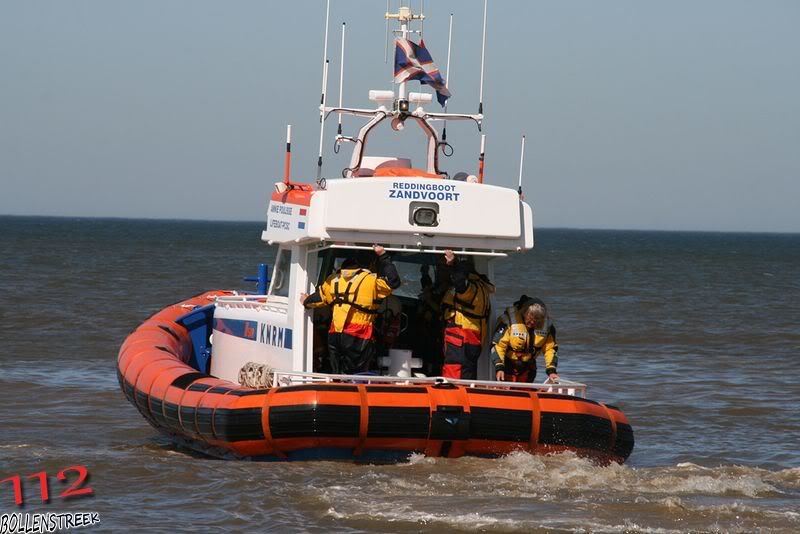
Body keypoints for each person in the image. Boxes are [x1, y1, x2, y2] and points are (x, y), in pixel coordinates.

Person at [300, 245, 401, 375]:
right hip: (359, 334)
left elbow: (319, 298)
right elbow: (394, 282)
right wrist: (383, 256)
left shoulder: (333, 279)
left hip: (334, 334)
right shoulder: (371, 281)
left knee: (337, 372)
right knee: (356, 374)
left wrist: (306, 302)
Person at [440, 249, 495, 379]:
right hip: (472, 337)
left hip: (462, 337)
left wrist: (453, 264)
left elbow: (460, 284)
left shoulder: (471, 289)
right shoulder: (481, 286)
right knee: (467, 372)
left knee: (455, 372)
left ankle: (452, 398)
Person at [491, 295, 559, 383]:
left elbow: (550, 349)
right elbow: (498, 346)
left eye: (536, 320)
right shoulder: (508, 321)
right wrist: (499, 367)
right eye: (530, 319)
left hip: (528, 368)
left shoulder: (548, 327)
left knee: (525, 392)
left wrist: (551, 371)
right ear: (524, 313)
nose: (532, 322)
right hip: (507, 366)